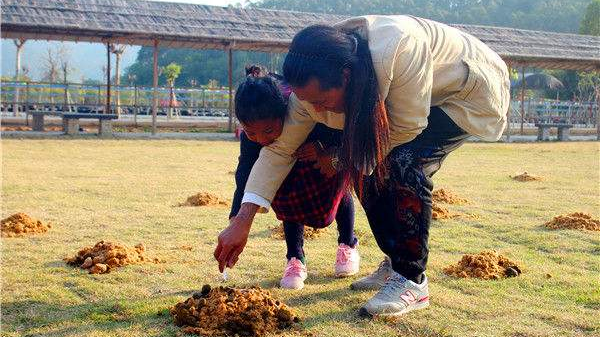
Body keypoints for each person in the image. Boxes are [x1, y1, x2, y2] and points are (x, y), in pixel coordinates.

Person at [216, 16, 510, 317]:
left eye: (321, 101)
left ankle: (412, 279)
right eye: (308, 102)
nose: (315, 110)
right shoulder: (313, 89)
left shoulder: (399, 47)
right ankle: (396, 261)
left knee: (402, 165)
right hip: (419, 99)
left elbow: (405, 129)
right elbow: (278, 151)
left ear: (345, 76)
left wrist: (338, 158)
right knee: (367, 173)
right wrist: (242, 220)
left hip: (464, 93)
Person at [229, 65, 360, 290]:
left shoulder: (305, 103)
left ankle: (347, 243)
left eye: (269, 131)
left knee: (338, 189)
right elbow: (246, 172)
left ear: (284, 113)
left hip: (326, 159)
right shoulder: (253, 137)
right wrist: (236, 219)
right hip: (288, 164)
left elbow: (339, 131)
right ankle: (295, 258)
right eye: (252, 133)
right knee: (285, 194)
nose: (261, 139)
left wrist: (322, 149)